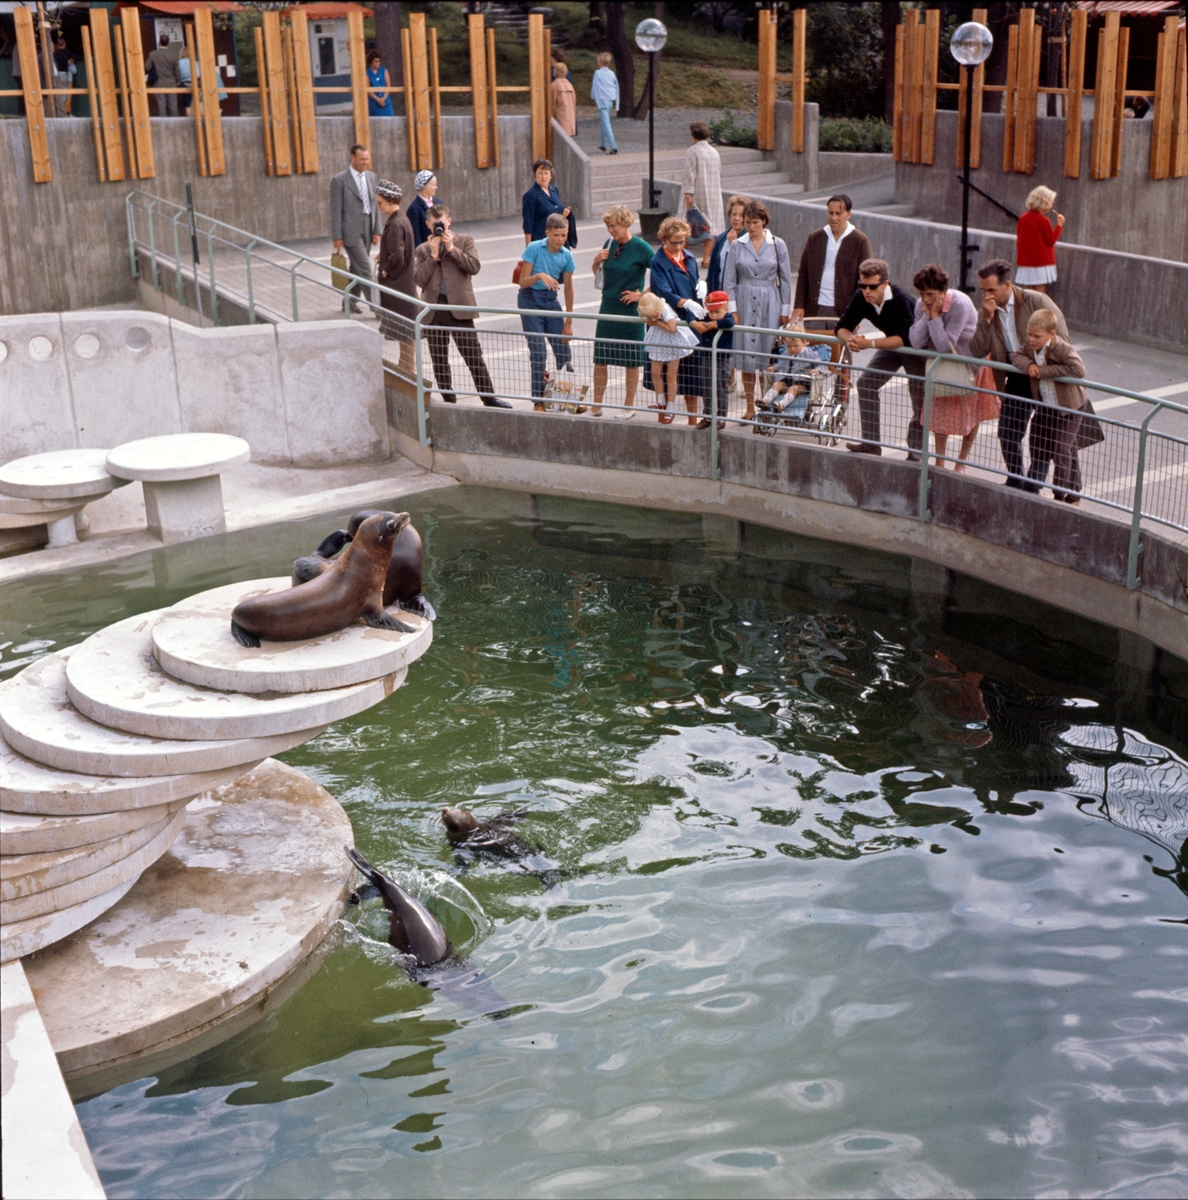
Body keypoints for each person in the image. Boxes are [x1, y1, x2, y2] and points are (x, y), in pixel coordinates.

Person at [968, 258, 1069, 489]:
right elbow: (976, 350)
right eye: (983, 291)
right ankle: (1015, 477)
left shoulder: (1036, 300)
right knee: (1008, 432)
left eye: (992, 290)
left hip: (1042, 374)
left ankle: (1034, 485)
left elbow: (1062, 339)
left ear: (1007, 285)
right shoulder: (988, 309)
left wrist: (1045, 368)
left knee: (1042, 434)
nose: (987, 296)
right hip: (1014, 375)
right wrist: (985, 319)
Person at [414, 204, 509, 409]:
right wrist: (432, 256)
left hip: (460, 307)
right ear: (428, 225)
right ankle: (449, 400)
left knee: (473, 355)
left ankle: (489, 397)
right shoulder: (422, 250)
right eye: (434, 224)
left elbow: (474, 267)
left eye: (442, 223)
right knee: (439, 359)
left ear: (449, 221)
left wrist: (451, 249)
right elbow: (419, 280)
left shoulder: (465, 241)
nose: (439, 227)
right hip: (435, 309)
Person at [835, 258, 922, 456]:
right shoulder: (861, 297)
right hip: (892, 344)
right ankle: (871, 444)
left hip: (915, 349)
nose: (867, 291)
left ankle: (916, 451)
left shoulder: (900, 299)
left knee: (920, 398)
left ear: (885, 284)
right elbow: (841, 327)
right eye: (862, 286)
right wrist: (850, 339)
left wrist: (869, 343)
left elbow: (903, 339)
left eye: (872, 287)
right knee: (866, 384)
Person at [908, 262, 989, 473]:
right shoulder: (921, 305)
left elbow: (945, 345)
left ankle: (961, 462)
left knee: (971, 415)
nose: (926, 299)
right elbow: (916, 342)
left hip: (968, 363)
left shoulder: (960, 305)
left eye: (931, 294)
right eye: (922, 293)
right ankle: (940, 462)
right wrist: (927, 315)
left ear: (943, 292)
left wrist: (934, 317)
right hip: (942, 364)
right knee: (939, 414)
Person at [723, 200, 793, 423]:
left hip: (769, 301)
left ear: (763, 221)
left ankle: (768, 402)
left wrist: (784, 310)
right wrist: (733, 310)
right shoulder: (737, 245)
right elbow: (728, 281)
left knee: (766, 354)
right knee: (746, 357)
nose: (751, 226)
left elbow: (786, 279)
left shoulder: (777, 244)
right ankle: (750, 407)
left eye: (755, 222)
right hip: (744, 300)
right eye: (747, 222)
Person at [1010, 308, 1086, 503]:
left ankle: (1059, 494)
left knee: (1062, 450)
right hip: (1046, 408)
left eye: (1037, 336)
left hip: (1070, 409)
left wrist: (1044, 371)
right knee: (1063, 449)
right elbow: (1015, 356)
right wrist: (1028, 365)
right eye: (1029, 335)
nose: (1032, 339)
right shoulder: (1029, 347)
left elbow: (1078, 369)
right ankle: (1075, 490)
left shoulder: (1062, 348)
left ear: (1052, 334)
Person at [591, 205, 652, 419]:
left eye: (613, 225)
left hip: (630, 311)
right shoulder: (608, 244)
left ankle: (628, 405)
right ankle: (596, 404)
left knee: (631, 360)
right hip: (608, 306)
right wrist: (596, 261)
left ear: (625, 223)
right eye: (608, 226)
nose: (610, 230)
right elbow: (599, 275)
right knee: (600, 358)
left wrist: (642, 295)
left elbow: (662, 272)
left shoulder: (641, 247)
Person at [649, 216, 706, 417]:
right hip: (670, 318)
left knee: (690, 376)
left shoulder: (689, 257)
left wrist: (701, 288)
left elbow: (694, 283)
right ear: (665, 239)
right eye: (674, 242)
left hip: (689, 321)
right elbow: (663, 291)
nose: (678, 246)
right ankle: (664, 410)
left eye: (682, 241)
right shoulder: (658, 261)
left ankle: (693, 419)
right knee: (663, 372)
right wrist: (685, 302)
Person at [517, 212, 576, 409]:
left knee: (563, 350)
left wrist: (568, 322)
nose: (560, 239)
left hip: (551, 301)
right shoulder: (534, 248)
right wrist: (540, 275)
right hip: (530, 299)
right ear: (547, 233)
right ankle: (538, 400)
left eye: (564, 235)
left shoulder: (566, 255)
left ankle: (567, 398)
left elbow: (568, 288)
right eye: (556, 235)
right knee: (539, 352)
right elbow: (523, 281)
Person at [792, 194, 873, 323]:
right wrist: (799, 305)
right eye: (830, 213)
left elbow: (866, 279)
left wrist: (856, 312)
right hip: (815, 308)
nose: (833, 218)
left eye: (838, 213)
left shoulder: (860, 240)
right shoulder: (815, 238)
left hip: (845, 311)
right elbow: (803, 273)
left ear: (848, 214)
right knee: (813, 342)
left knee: (840, 343)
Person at [330, 143, 382, 313]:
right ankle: (379, 309)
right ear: (352, 158)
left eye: (367, 159)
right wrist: (337, 236)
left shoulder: (372, 177)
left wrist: (377, 230)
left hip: (368, 226)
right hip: (350, 230)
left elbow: (375, 205)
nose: (365, 162)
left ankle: (349, 302)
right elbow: (336, 209)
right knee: (366, 269)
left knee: (357, 267)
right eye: (362, 159)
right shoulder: (339, 180)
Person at [375, 179, 418, 373]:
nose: (379, 207)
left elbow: (397, 256)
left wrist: (385, 270)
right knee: (407, 333)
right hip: (406, 284)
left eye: (380, 202)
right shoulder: (402, 218)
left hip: (398, 285)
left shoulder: (394, 223)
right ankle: (406, 367)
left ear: (390, 200)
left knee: (404, 332)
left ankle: (407, 370)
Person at [755, 327, 831, 433]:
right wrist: (775, 367)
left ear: (804, 342)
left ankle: (781, 404)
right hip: (788, 379)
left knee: (794, 389)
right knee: (777, 384)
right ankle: (765, 401)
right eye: (789, 346)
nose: (792, 349)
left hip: (803, 382)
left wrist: (816, 370)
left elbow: (822, 365)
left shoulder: (810, 354)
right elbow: (782, 364)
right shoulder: (787, 353)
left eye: (796, 346)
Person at [640, 292, 700, 425]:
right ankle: (661, 402)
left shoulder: (665, 309)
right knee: (655, 372)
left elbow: (672, 328)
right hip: (659, 339)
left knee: (670, 376)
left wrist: (656, 323)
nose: (654, 318)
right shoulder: (653, 312)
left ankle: (670, 409)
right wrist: (655, 322)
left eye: (655, 316)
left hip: (673, 341)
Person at [682, 122, 724, 269]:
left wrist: (688, 193)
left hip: (697, 191)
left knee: (688, 224)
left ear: (693, 135)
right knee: (710, 226)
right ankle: (706, 258)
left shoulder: (693, 151)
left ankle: (683, 256)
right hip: (713, 191)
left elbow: (689, 173)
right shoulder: (714, 152)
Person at [1015, 185, 1064, 294]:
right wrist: (1059, 226)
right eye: (1050, 202)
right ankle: (1039, 310)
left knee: (1028, 290)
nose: (1051, 205)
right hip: (1041, 261)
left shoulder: (1023, 218)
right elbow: (1050, 240)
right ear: (1044, 203)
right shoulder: (1043, 220)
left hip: (1026, 260)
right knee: (1040, 290)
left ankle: (1028, 310)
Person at [522, 159, 570, 245]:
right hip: (540, 240)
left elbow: (555, 213)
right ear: (535, 175)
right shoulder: (531, 195)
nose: (543, 177)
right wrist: (529, 248)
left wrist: (563, 216)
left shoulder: (554, 190)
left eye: (546, 173)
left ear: (551, 175)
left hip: (557, 240)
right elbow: (528, 224)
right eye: (540, 173)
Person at [706, 195, 748, 294]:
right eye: (734, 214)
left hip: (739, 294)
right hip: (720, 291)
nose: (737, 218)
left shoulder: (749, 239)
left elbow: (745, 268)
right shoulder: (721, 238)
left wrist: (734, 244)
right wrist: (710, 293)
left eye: (741, 215)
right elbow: (712, 269)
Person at [145, 34, 179, 117]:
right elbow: (177, 71)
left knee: (161, 105)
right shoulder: (174, 55)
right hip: (171, 83)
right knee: (173, 105)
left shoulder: (153, 54)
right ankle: (176, 124)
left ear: (159, 42)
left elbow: (147, 67)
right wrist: (178, 81)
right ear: (168, 43)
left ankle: (163, 125)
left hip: (159, 82)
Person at [591, 52, 619, 155]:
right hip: (610, 100)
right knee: (604, 121)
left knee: (606, 123)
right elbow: (616, 86)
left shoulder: (597, 73)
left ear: (600, 62)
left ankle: (613, 146)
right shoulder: (611, 73)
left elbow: (595, 86)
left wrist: (593, 96)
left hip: (602, 100)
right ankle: (603, 144)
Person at [406, 170, 437, 247]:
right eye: (433, 185)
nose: (436, 187)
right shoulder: (414, 209)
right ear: (424, 187)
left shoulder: (438, 202)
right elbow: (415, 236)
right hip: (426, 250)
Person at [551, 61, 576, 137]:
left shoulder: (554, 85)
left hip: (559, 117)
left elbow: (552, 104)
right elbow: (574, 101)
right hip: (570, 116)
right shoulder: (569, 84)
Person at [366, 51, 394, 118]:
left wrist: (383, 98)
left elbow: (388, 86)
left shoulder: (384, 71)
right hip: (374, 101)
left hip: (385, 99)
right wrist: (377, 99)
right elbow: (368, 88)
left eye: (379, 61)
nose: (378, 63)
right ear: (371, 62)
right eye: (376, 61)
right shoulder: (367, 73)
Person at [52, 35, 75, 117]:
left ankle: (57, 108)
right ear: (64, 44)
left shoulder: (54, 54)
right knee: (65, 92)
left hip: (55, 74)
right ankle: (60, 107)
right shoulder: (67, 52)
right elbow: (77, 56)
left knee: (56, 91)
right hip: (63, 74)